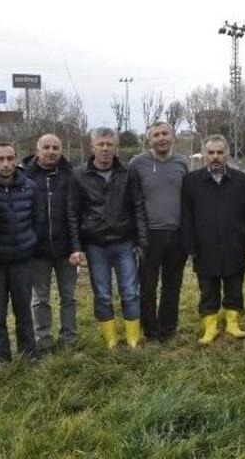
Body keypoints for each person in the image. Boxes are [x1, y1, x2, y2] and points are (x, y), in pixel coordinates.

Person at [67, 127, 148, 349]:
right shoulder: (79, 174)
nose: (105, 149)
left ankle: (132, 339)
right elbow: (73, 212)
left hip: (124, 242)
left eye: (109, 145)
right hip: (95, 245)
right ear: (92, 147)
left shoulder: (128, 172)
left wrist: (142, 240)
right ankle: (111, 340)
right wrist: (76, 246)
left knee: (130, 292)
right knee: (102, 294)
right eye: (100, 144)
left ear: (116, 147)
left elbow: (138, 206)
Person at [182, 135, 245, 344]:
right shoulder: (191, 181)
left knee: (235, 285)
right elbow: (186, 215)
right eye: (211, 152)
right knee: (208, 288)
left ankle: (233, 323)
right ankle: (210, 326)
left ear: (227, 154)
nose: (215, 157)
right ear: (204, 155)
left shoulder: (242, 181)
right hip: (204, 245)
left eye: (220, 152)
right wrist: (189, 244)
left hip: (234, 243)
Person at [130, 121, 190, 343]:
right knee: (147, 285)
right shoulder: (137, 164)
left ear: (173, 137)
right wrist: (138, 236)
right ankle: (151, 331)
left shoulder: (182, 163)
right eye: (156, 135)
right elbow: (132, 200)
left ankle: (169, 328)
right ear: (149, 140)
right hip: (149, 235)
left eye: (165, 133)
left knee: (173, 284)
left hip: (177, 234)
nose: (161, 138)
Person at [0, 142, 39, 362]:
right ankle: (1, 360)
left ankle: (29, 355)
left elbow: (37, 219)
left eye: (10, 158)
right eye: (0, 159)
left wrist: (30, 243)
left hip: (22, 260)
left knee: (24, 311)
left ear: (16, 160)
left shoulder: (29, 186)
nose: (6, 164)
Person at [22, 134, 78, 353]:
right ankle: (43, 340)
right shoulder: (25, 176)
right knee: (40, 299)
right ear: (37, 150)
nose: (51, 151)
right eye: (46, 147)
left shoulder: (71, 175)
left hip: (66, 249)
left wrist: (77, 247)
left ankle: (69, 339)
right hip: (37, 250)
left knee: (69, 297)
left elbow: (76, 213)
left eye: (56, 147)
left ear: (61, 151)